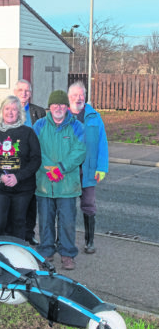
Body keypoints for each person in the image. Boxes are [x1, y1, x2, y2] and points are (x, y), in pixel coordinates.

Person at [33, 90, 86, 270]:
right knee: (45, 220)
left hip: (67, 184)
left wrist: (61, 168)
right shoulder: (39, 125)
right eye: (55, 105)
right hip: (44, 183)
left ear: (67, 107)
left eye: (62, 105)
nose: (58, 108)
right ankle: (46, 251)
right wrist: (50, 168)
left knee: (67, 221)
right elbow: (35, 150)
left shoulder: (77, 126)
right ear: (50, 107)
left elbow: (79, 151)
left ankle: (67, 254)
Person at [0, 96, 41, 240]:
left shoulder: (28, 133)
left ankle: (17, 254)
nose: (10, 112)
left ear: (19, 112)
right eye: (7, 108)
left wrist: (17, 177)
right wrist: (0, 176)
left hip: (23, 188)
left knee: (19, 222)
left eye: (14, 109)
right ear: (2, 111)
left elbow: (36, 160)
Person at [68, 81, 109, 254]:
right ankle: (64, 240)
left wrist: (102, 167)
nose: (78, 98)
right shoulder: (63, 115)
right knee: (66, 206)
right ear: (69, 96)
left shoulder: (94, 116)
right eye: (75, 95)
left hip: (89, 169)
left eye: (81, 95)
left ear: (85, 96)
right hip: (68, 169)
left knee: (88, 204)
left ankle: (89, 241)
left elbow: (102, 143)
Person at [8, 79, 47, 245]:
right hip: (14, 163)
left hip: (33, 163)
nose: (24, 94)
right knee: (14, 201)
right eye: (21, 90)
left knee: (31, 201)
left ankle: (29, 233)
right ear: (15, 92)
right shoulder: (9, 110)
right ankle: (14, 235)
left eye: (27, 91)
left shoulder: (38, 112)